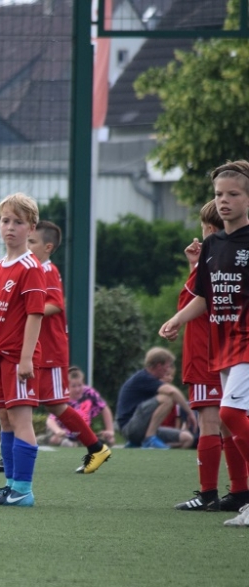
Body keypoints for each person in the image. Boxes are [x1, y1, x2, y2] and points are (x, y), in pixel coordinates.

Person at [160, 160, 249, 526]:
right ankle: (242, 496)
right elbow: (205, 296)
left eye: (233, 194)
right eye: (218, 194)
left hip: (245, 342)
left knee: (228, 415)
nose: (224, 200)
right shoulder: (213, 244)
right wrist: (177, 319)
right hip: (223, 346)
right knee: (232, 419)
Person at [27, 220, 113, 474]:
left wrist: (24, 312)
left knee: (55, 405)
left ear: (48, 247)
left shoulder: (47, 270)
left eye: (32, 242)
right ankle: (11, 456)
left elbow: (55, 304)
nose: (27, 246)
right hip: (33, 350)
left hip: (50, 350)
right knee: (18, 403)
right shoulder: (30, 269)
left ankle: (96, 447)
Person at [0, 193, 45, 507]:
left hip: (18, 358)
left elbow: (35, 314)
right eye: (5, 220)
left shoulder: (30, 267)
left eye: (18, 222)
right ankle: (10, 485)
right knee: (4, 420)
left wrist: (26, 358)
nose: (10, 227)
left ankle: (24, 490)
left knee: (21, 421)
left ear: (31, 228)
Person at [114, 347, 194, 450]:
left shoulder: (153, 381)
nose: (168, 370)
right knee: (166, 399)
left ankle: (140, 445)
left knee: (187, 439)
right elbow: (172, 391)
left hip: (143, 428)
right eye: (168, 366)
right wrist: (190, 413)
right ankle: (149, 439)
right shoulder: (143, 377)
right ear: (159, 366)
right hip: (129, 428)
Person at [44, 367, 115, 447]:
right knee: (56, 440)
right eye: (73, 386)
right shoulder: (63, 398)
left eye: (80, 385)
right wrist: (58, 431)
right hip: (63, 432)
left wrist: (110, 430)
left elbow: (104, 408)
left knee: (110, 440)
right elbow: (50, 420)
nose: (77, 389)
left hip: (82, 433)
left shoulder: (89, 393)